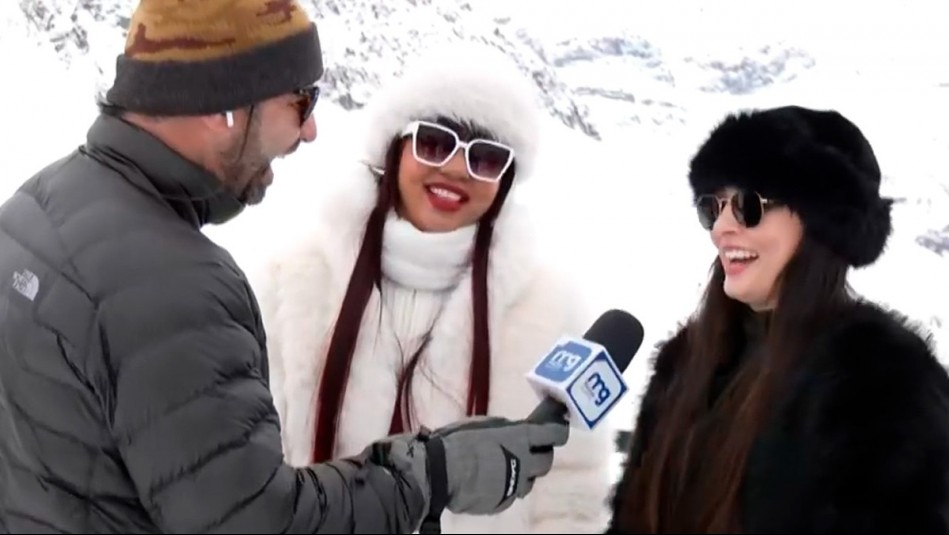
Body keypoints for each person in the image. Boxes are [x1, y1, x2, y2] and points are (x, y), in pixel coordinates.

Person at [0, 1, 571, 533]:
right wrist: (434, 472)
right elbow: (258, 522)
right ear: (221, 105)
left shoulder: (34, 207)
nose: (310, 130)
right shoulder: (174, 286)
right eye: (300, 101)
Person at [252, 42, 614, 533]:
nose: (457, 169)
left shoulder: (549, 305)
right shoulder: (293, 281)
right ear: (394, 149)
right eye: (435, 143)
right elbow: (250, 475)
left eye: (486, 158)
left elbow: (574, 491)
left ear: (506, 180)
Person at [606, 105, 949, 533]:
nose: (722, 229)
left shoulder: (884, 384)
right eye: (713, 208)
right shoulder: (684, 364)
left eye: (748, 206)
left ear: (819, 224)